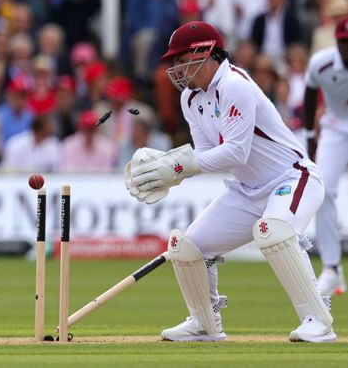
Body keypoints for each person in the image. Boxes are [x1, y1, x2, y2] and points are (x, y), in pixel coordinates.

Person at [126, 20, 334, 342]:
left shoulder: (235, 84)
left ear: (206, 53)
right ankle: (204, 323)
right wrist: (173, 169)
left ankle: (317, 320)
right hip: (247, 190)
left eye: (182, 60)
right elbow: (208, 156)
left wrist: (179, 167)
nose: (177, 69)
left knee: (273, 231)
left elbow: (235, 153)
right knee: (187, 246)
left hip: (293, 177)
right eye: (175, 63)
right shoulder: (191, 99)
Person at [303, 17, 348, 297]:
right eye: (344, 42)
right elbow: (309, 93)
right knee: (323, 189)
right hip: (335, 126)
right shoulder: (321, 63)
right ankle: (332, 268)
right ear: (337, 41)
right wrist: (310, 136)